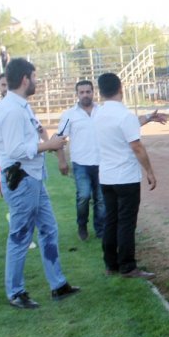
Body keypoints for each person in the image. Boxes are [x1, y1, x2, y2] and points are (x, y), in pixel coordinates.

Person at [0, 58, 80, 308]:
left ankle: (58, 285)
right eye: (35, 76)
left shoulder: (21, 106)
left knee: (49, 229)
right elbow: (14, 149)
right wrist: (48, 146)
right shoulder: (10, 109)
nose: (37, 81)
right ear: (25, 79)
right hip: (22, 181)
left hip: (33, 179)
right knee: (20, 236)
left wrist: (50, 144)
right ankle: (16, 292)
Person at [94, 72, 159, 279]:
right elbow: (137, 146)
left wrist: (147, 118)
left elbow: (125, 128)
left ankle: (110, 262)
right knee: (126, 222)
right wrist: (149, 170)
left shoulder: (98, 114)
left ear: (101, 91)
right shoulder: (124, 115)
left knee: (111, 220)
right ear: (121, 88)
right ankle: (128, 265)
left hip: (107, 176)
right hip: (125, 177)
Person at [57, 80, 106, 240]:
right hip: (81, 163)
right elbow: (60, 139)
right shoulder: (69, 115)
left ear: (93, 92)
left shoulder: (102, 111)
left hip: (102, 162)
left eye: (88, 91)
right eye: (82, 92)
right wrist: (62, 161)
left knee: (100, 199)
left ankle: (100, 230)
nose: (85, 95)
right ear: (77, 94)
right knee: (84, 196)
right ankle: (82, 225)